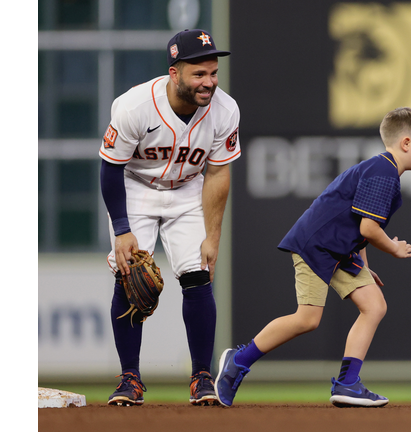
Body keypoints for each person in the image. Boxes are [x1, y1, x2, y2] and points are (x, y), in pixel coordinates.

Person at [214, 107, 411, 408]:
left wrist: (365, 270)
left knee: (374, 305)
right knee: (307, 319)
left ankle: (347, 384)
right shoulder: (383, 171)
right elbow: (369, 228)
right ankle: (238, 362)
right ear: (406, 143)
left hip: (341, 249)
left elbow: (360, 227)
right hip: (316, 245)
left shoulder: (383, 170)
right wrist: (394, 248)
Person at [99, 29, 241, 406]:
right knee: (129, 277)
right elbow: (110, 169)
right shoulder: (134, 106)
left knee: (198, 276)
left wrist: (213, 236)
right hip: (137, 188)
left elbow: (218, 174)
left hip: (188, 191)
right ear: (174, 73)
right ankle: (130, 377)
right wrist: (122, 230)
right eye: (199, 74)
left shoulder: (225, 110)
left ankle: (202, 377)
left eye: (213, 72)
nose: (209, 82)